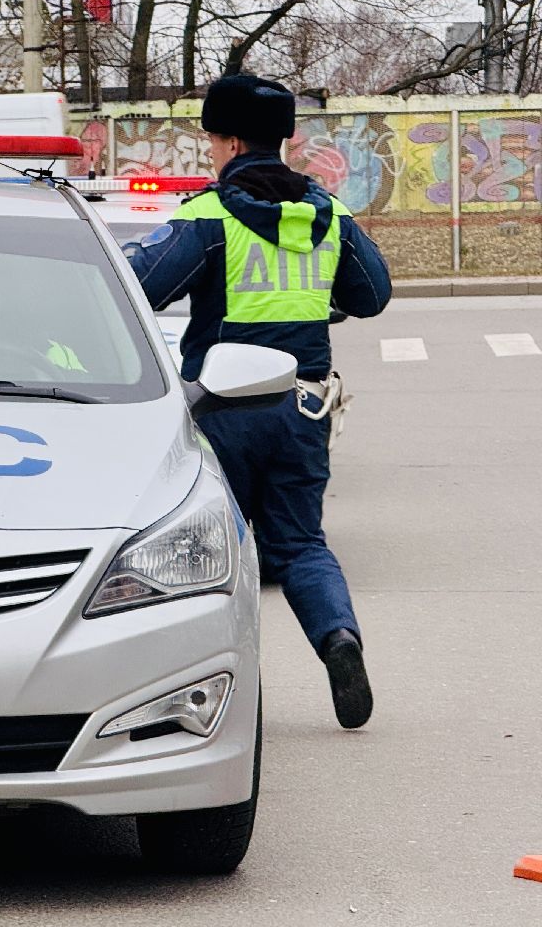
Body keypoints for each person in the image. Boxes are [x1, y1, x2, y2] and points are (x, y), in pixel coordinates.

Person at [121, 74, 392, 730]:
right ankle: (338, 638)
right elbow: (373, 295)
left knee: (208, 554)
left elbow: (138, 287)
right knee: (300, 546)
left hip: (223, 415)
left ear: (233, 142)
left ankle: (202, 692)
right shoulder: (330, 216)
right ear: (283, 139)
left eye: (213, 140)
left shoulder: (211, 217)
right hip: (303, 410)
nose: (212, 151)